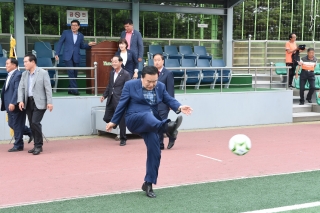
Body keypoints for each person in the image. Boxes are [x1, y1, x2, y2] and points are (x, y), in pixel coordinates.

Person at [106, 66, 192, 198]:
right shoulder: (130, 85)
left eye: (154, 81)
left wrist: (179, 107)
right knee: (147, 115)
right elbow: (122, 104)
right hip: (135, 119)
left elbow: (168, 99)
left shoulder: (160, 86)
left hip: (152, 124)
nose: (152, 84)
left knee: (155, 152)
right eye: (148, 82)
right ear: (142, 78)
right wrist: (114, 121)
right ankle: (167, 128)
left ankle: (148, 183)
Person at [18, 54, 53, 155]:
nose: (24, 64)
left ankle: (38, 145)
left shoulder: (42, 73)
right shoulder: (24, 74)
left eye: (26, 62)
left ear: (33, 62)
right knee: (32, 124)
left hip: (40, 102)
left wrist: (50, 102)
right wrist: (21, 100)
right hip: (28, 102)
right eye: (24, 62)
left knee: (35, 122)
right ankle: (36, 145)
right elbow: (21, 88)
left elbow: (48, 88)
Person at [55, 19, 96, 96]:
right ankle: (75, 90)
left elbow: (82, 46)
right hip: (67, 56)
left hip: (76, 56)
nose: (73, 27)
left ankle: (70, 89)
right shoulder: (65, 33)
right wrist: (57, 53)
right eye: (72, 25)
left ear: (78, 27)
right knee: (71, 71)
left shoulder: (81, 35)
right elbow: (60, 43)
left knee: (75, 73)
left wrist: (89, 44)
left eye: (75, 25)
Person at [1, 58, 33, 152]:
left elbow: (17, 90)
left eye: (7, 64)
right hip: (8, 104)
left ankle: (18, 144)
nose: (5, 65)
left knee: (17, 124)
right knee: (12, 123)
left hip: (15, 104)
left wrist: (13, 102)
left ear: (14, 65)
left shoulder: (18, 75)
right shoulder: (10, 75)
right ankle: (29, 131)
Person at [101, 56, 131, 146]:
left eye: (115, 62)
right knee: (106, 118)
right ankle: (114, 123)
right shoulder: (111, 73)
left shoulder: (126, 74)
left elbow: (128, 87)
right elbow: (110, 85)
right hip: (111, 98)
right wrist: (104, 95)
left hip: (120, 100)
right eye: (112, 62)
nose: (113, 63)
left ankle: (123, 139)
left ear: (120, 62)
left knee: (122, 121)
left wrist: (126, 99)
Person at [153, 53, 176, 150]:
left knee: (160, 123)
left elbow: (170, 89)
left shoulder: (168, 73)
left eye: (159, 60)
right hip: (153, 103)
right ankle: (172, 134)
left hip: (163, 103)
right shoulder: (151, 73)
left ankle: (161, 143)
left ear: (163, 61)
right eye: (155, 60)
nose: (157, 62)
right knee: (157, 123)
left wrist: (171, 103)